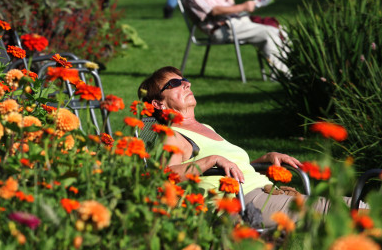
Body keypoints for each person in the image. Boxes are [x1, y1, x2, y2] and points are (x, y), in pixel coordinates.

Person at [137, 66, 364, 228]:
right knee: (346, 211)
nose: (186, 83)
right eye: (175, 83)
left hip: (263, 193)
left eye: (184, 79)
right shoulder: (173, 135)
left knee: (352, 205)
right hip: (243, 203)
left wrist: (262, 161)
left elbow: (229, 169)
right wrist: (209, 160)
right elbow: (163, 176)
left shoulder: (204, 127)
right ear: (158, 103)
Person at [182, 0, 290, 76]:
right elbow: (214, 11)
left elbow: (231, 6)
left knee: (280, 30)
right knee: (270, 32)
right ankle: (282, 75)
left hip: (235, 23)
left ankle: (290, 69)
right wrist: (243, 7)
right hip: (222, 29)